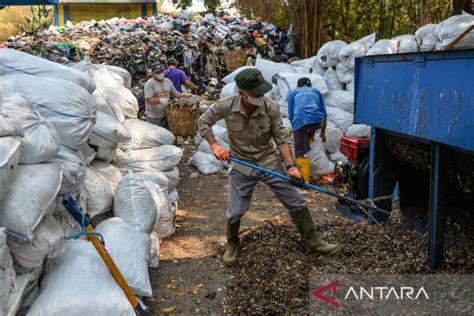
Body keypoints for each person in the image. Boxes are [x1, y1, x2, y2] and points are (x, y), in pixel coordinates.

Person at [198, 69, 341, 266]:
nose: (261, 97)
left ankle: (315, 242)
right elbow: (203, 122)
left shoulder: (270, 107)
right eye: (257, 94)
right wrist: (215, 145)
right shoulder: (226, 106)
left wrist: (291, 166)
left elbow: (282, 139)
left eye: (262, 92)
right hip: (242, 163)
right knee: (235, 211)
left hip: (268, 161)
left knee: (296, 200)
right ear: (242, 94)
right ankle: (232, 243)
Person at [287, 77, 328, 183]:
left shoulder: (293, 93)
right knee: (308, 134)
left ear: (298, 86)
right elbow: (324, 114)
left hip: (300, 121)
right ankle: (309, 141)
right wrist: (323, 133)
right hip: (317, 121)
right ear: (310, 86)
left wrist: (295, 131)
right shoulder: (316, 91)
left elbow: (291, 116)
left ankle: (304, 182)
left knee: (299, 152)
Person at [144, 62, 185, 128]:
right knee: (156, 135)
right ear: (152, 73)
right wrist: (161, 101)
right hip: (154, 117)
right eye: (157, 72)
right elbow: (148, 100)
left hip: (166, 114)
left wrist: (186, 95)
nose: (160, 73)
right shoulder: (149, 84)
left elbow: (176, 94)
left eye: (161, 71)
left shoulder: (167, 81)